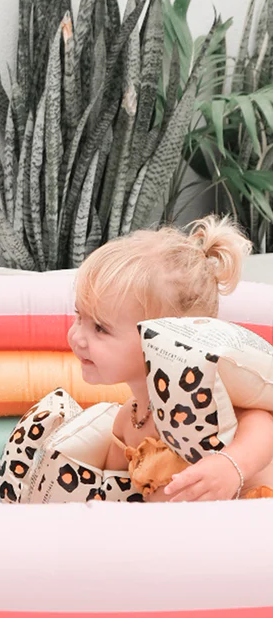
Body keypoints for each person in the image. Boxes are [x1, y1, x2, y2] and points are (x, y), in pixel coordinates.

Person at [68, 215, 273, 501]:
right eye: (79, 316)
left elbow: (263, 426)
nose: (77, 337)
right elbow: (111, 491)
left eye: (100, 328)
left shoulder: (201, 392)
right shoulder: (128, 420)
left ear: (163, 338)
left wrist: (231, 466)